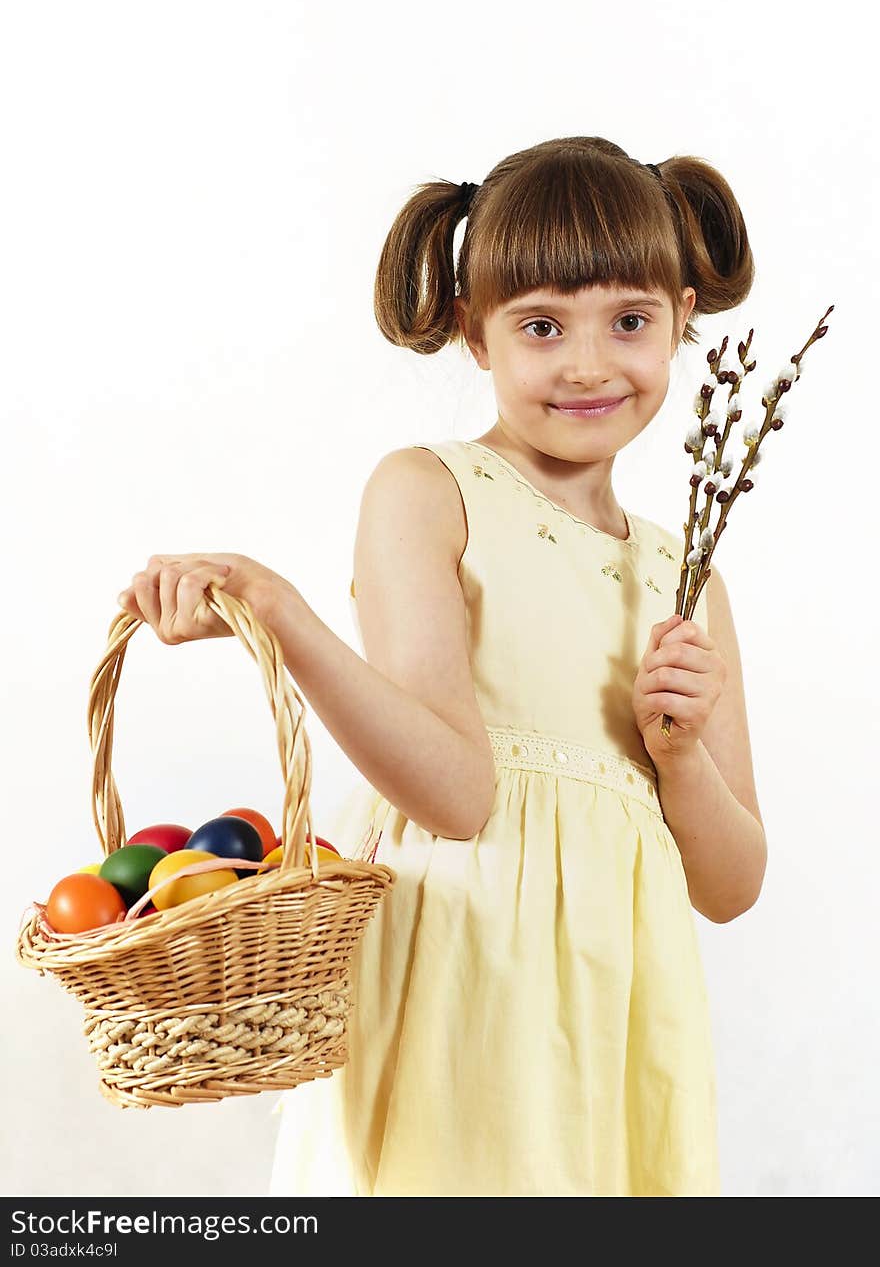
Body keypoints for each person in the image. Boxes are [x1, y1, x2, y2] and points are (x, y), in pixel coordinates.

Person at [117, 135, 768, 1196]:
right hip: (466, 977)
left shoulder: (684, 572)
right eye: (542, 325)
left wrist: (680, 756)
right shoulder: (430, 491)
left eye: (631, 321)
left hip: (617, 1007)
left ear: (682, 316)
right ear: (475, 331)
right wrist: (282, 613)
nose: (589, 362)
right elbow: (458, 796)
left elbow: (732, 884)